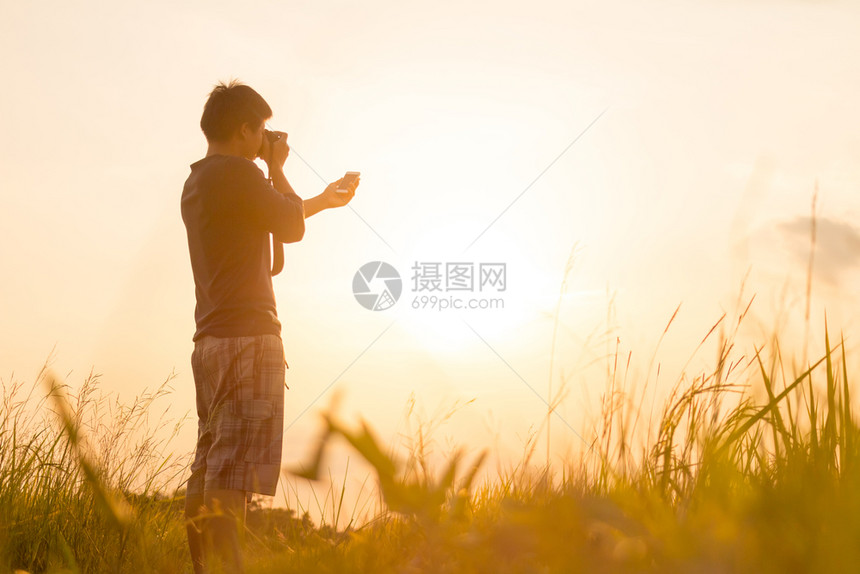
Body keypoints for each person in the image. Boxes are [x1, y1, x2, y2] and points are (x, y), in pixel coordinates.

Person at [180, 80, 359, 574]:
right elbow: (291, 226)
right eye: (261, 131)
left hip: (210, 339)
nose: (266, 139)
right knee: (231, 470)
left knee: (211, 462)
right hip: (247, 336)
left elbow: (278, 223)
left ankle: (205, 567)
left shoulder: (199, 180)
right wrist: (280, 170)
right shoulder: (237, 174)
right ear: (244, 129)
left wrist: (297, 186)